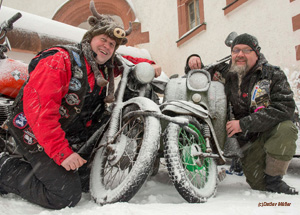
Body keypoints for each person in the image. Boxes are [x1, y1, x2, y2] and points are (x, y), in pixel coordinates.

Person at [0, 0, 161, 209]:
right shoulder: (60, 60)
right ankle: (4, 167)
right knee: (65, 195)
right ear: (90, 38)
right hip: (32, 129)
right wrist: (62, 153)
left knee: (85, 181)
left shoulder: (104, 67)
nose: (107, 46)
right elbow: (40, 114)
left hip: (65, 131)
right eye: (103, 39)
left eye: (112, 44)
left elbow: (127, 61)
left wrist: (149, 65)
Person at [185, 33, 298, 195]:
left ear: (256, 53)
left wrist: (243, 124)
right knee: (258, 184)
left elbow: (285, 108)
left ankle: (275, 179)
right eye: (236, 50)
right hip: (248, 142)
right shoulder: (224, 71)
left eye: (246, 50)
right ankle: (261, 170)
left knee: (286, 129)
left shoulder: (273, 75)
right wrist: (193, 60)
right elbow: (199, 75)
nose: (240, 54)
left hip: (269, 133)